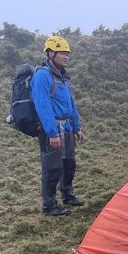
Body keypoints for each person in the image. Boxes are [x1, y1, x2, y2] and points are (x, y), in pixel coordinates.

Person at [32, 36, 85, 216]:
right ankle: (49, 205)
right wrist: (52, 133)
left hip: (68, 128)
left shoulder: (63, 77)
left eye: (67, 53)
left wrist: (77, 127)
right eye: (62, 53)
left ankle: (68, 195)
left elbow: (70, 103)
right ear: (50, 53)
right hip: (52, 130)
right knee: (52, 167)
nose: (66, 57)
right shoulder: (42, 76)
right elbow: (43, 106)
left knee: (69, 165)